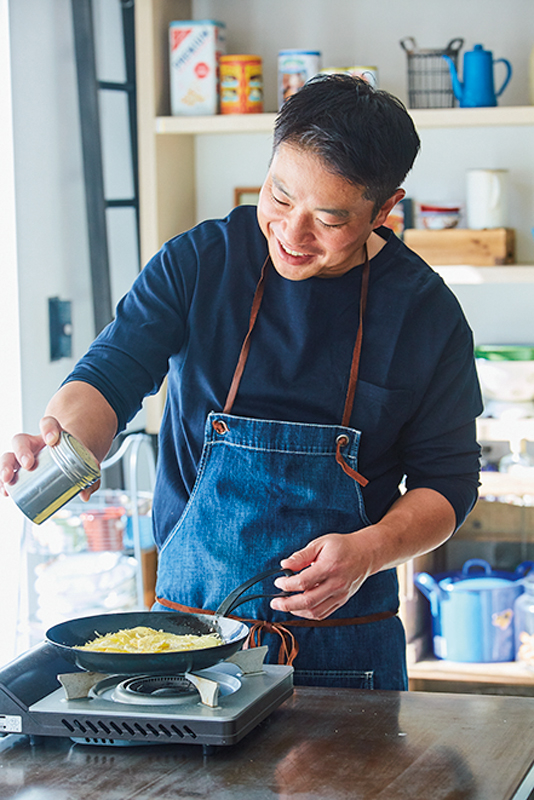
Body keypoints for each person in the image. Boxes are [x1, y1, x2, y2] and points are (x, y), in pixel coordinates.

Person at [0, 75, 482, 690]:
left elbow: (448, 483)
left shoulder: (424, 313)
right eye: (279, 197)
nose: (292, 233)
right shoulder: (201, 261)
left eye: (328, 220)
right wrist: (65, 442)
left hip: (346, 647)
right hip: (185, 646)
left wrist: (372, 550)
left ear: (386, 209)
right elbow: (109, 376)